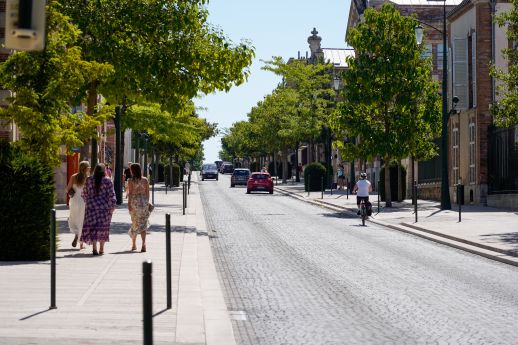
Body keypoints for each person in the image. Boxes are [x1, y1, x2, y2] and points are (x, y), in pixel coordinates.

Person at [81, 163, 116, 255]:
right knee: (103, 228)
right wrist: (112, 206)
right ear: (104, 170)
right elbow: (111, 194)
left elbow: (84, 193)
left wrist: (88, 202)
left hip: (91, 208)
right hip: (104, 208)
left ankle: (94, 248)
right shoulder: (108, 181)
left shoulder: (89, 180)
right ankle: (101, 249)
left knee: (93, 227)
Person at [66, 161, 90, 249]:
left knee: (75, 218)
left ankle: (76, 233)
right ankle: (81, 243)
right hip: (84, 200)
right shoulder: (87, 178)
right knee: (82, 220)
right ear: (86, 168)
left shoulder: (73, 176)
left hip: (74, 200)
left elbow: (67, 189)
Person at [126, 163, 150, 252]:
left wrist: (129, 204)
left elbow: (130, 193)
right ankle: (143, 244)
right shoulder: (145, 180)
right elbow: (148, 193)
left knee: (135, 224)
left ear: (133, 171)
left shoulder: (130, 180)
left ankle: (134, 244)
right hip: (143, 203)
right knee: (143, 224)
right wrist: (146, 203)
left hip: (134, 203)